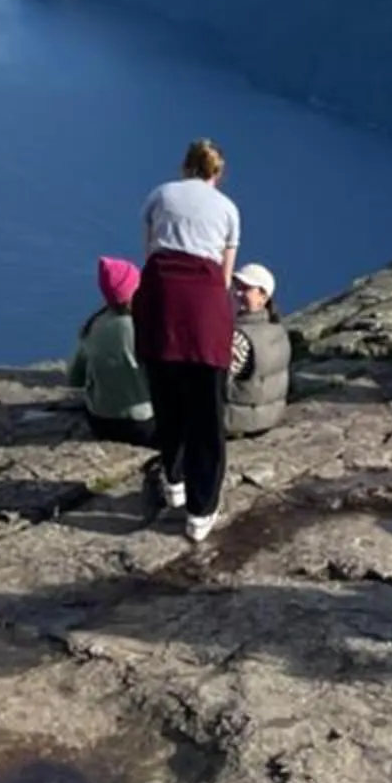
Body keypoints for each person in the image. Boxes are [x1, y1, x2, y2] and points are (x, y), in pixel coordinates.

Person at [134, 232, 236, 547]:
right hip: (205, 337)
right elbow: (227, 280)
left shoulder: (155, 268)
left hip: (163, 329)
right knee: (206, 424)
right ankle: (200, 513)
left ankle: (174, 480)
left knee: (169, 409)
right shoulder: (225, 216)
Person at [68, 257, 154, 443]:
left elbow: (74, 379)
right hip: (142, 425)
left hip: (99, 423)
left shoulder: (93, 325)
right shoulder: (148, 327)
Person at [143, 138, 241, 278]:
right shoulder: (229, 209)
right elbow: (226, 277)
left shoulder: (161, 194)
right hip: (207, 289)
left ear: (185, 165)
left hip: (163, 281)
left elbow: (149, 252)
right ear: (218, 172)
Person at [226, 264, 291, 437]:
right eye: (236, 286)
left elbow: (218, 382)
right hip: (268, 417)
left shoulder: (239, 338)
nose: (237, 293)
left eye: (245, 288)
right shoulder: (278, 331)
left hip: (234, 421)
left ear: (263, 296)